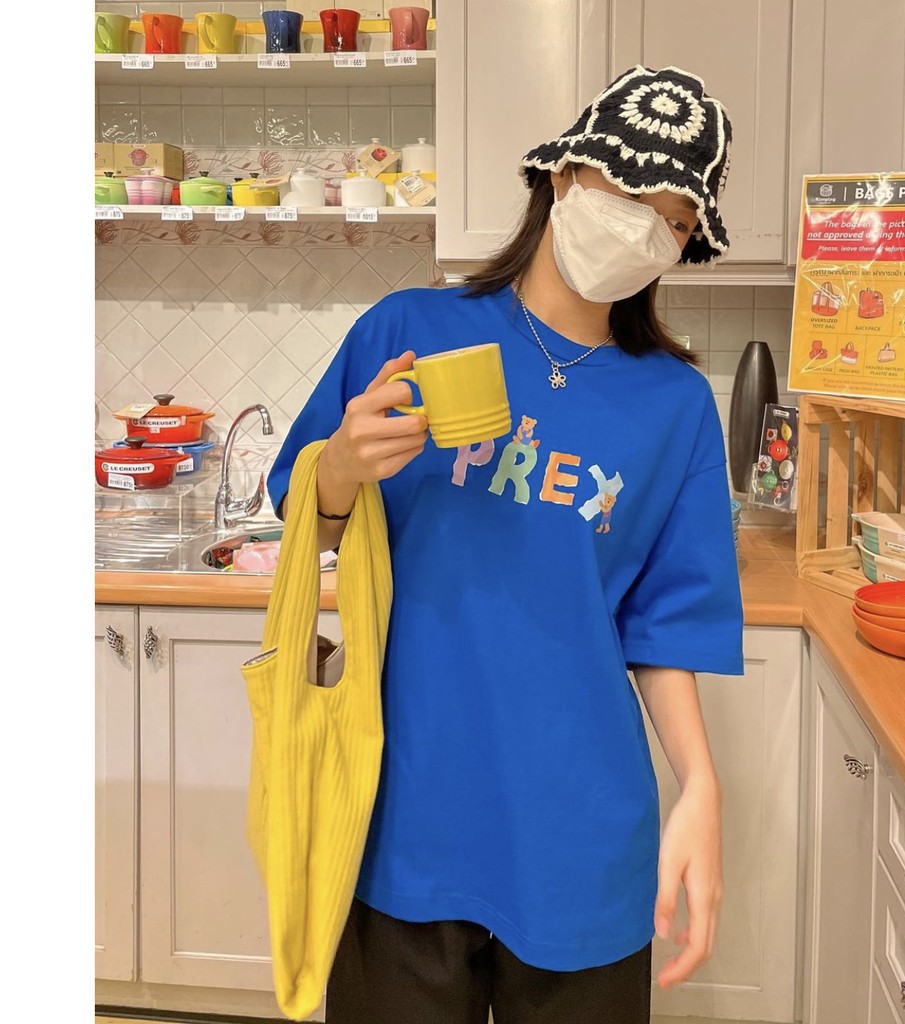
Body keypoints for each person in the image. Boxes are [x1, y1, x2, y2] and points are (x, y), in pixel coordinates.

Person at [267, 64, 744, 1024]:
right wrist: (343, 465)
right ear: (564, 177)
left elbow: (665, 626)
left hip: (582, 836)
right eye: (630, 195)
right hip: (403, 816)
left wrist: (700, 784)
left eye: (674, 221)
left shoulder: (676, 404)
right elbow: (303, 511)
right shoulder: (411, 330)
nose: (646, 231)